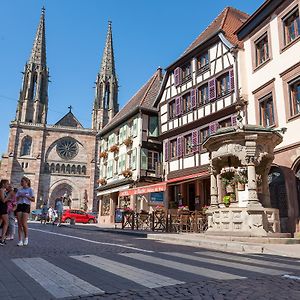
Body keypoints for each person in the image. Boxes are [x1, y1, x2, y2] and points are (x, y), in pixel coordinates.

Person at [16, 177, 35, 246]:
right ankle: (20, 240)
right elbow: (16, 199)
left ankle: (26, 238)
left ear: (26, 182)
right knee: (19, 224)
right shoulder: (19, 190)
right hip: (20, 205)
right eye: (21, 181)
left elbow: (33, 199)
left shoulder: (30, 190)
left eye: (22, 181)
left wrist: (26, 196)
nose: (21, 183)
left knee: (24, 223)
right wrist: (19, 196)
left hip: (26, 205)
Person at [0, 179, 13, 245]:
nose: (8, 185)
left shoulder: (3, 190)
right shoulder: (1, 190)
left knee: (1, 222)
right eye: (7, 184)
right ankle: (2, 239)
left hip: (3, 208)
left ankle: (2, 239)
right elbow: (3, 200)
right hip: (2, 208)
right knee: (6, 223)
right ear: (3, 184)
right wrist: (9, 195)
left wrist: (9, 198)